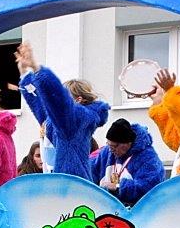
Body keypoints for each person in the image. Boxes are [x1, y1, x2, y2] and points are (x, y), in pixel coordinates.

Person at [15, 42, 110, 180]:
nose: (58, 103)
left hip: (71, 184)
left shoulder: (77, 120)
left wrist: (37, 68)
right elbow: (40, 105)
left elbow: (57, 99)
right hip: (58, 181)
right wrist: (24, 74)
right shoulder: (57, 121)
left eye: (66, 97)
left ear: (78, 100)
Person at [89, 118, 164, 206]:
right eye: (109, 145)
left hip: (136, 212)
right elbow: (90, 170)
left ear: (128, 143)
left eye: (115, 146)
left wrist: (118, 187)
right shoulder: (107, 151)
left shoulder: (148, 158)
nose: (111, 150)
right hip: (108, 208)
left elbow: (149, 187)